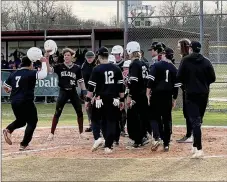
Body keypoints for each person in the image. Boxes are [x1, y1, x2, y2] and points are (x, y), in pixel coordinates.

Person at [177, 41, 216, 158]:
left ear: (190, 48)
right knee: (198, 121)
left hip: (191, 94)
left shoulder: (185, 60)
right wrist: (204, 84)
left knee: (195, 122)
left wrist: (187, 85)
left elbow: (179, 77)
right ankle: (194, 146)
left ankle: (199, 149)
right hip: (203, 94)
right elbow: (212, 78)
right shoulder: (206, 61)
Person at [3, 56, 48, 150]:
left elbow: (5, 86)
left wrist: (10, 90)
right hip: (26, 101)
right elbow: (43, 74)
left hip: (14, 101)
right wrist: (44, 62)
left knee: (21, 121)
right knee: (32, 122)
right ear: (30, 64)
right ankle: (24, 144)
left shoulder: (14, 73)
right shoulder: (30, 73)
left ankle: (8, 130)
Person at [85, 46, 125, 154]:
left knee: (95, 120)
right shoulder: (116, 69)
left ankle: (98, 137)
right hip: (114, 99)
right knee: (112, 122)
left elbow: (91, 88)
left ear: (98, 56)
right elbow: (121, 87)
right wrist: (122, 100)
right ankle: (108, 146)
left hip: (100, 99)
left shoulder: (96, 69)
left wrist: (87, 100)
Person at [47, 48, 88, 140]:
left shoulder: (77, 68)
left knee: (79, 111)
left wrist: (84, 91)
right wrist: (47, 59)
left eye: (68, 55)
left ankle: (81, 133)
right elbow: (49, 70)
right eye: (65, 55)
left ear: (71, 56)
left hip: (73, 91)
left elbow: (81, 81)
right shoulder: (59, 66)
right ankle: (51, 133)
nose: (66, 57)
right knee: (57, 112)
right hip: (63, 91)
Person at [146, 46, 180, 152]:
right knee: (167, 119)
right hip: (167, 96)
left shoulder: (156, 65)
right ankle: (166, 144)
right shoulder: (174, 68)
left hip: (156, 95)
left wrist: (148, 94)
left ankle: (156, 137)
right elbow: (176, 87)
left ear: (164, 55)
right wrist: (174, 99)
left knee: (154, 117)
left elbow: (150, 81)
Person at [126, 41, 149, 148]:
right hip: (144, 94)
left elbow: (134, 82)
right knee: (143, 116)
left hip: (137, 94)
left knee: (133, 118)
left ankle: (138, 140)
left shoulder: (134, 64)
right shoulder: (143, 63)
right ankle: (144, 136)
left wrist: (130, 96)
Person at [176, 38, 193, 143]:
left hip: (188, 90)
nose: (178, 49)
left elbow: (181, 76)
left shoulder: (185, 59)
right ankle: (191, 134)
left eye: (179, 46)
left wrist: (184, 88)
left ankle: (189, 135)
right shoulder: (189, 58)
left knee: (188, 113)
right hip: (190, 89)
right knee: (190, 113)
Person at [81, 51, 96, 132]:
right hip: (87, 89)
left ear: (94, 57)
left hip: (96, 90)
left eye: (91, 57)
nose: (89, 59)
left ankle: (97, 125)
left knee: (96, 108)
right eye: (88, 57)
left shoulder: (97, 65)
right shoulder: (84, 66)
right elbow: (82, 79)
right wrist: (84, 91)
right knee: (88, 108)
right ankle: (91, 124)